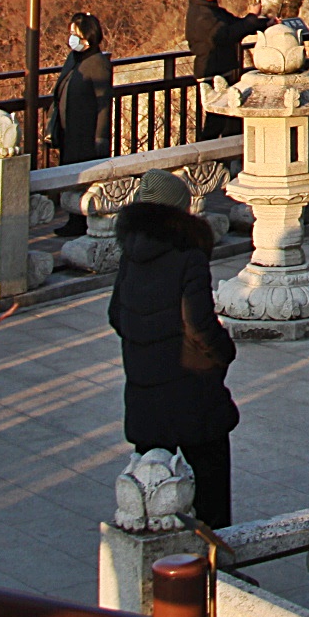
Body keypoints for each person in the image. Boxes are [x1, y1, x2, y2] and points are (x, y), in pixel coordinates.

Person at [109, 169, 240, 527]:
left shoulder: (131, 254)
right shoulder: (188, 256)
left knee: (152, 486)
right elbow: (199, 323)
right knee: (211, 483)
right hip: (190, 390)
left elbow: (116, 314)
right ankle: (217, 565)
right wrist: (223, 353)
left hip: (144, 389)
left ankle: (161, 562)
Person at [182, 0, 269, 140]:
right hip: (213, 74)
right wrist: (252, 16)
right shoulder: (202, 15)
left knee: (231, 119)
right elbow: (228, 34)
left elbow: (237, 24)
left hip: (223, 70)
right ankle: (205, 159)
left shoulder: (211, 11)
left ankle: (227, 159)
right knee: (216, 121)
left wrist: (264, 23)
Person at [51, 10, 115, 166]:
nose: (72, 38)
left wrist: (100, 139)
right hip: (68, 132)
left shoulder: (98, 63)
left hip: (85, 135)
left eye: (76, 35)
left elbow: (104, 104)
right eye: (71, 33)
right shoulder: (73, 58)